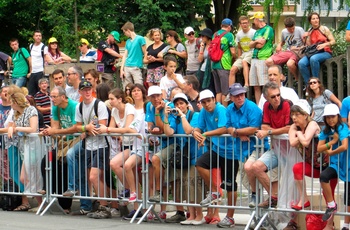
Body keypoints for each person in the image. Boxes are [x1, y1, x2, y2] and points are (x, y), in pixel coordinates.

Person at [286, 100, 336, 230]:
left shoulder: (312, 123)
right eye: (292, 114)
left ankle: (330, 225)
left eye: (297, 114)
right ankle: (304, 198)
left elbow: (306, 141)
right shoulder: (293, 127)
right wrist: (299, 134)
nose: (294, 118)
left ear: (305, 115)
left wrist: (299, 135)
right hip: (312, 165)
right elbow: (293, 142)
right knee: (297, 168)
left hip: (326, 165)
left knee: (329, 197)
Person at [193, 89, 237, 228]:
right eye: (203, 102)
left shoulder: (221, 109)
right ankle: (214, 191)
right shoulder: (203, 112)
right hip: (216, 149)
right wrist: (196, 133)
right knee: (200, 163)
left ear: (214, 100)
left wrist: (205, 134)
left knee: (230, 185)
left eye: (208, 101)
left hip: (231, 151)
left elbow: (224, 128)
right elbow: (199, 127)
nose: (206, 104)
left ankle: (230, 217)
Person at [162, 93, 206, 225]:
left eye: (181, 103)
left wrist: (182, 116)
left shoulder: (195, 115)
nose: (179, 106)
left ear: (187, 104)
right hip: (184, 156)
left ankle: (200, 215)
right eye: (176, 104)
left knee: (195, 185)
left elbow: (188, 131)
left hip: (196, 154)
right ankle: (191, 215)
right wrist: (165, 116)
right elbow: (169, 132)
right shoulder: (174, 118)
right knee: (186, 185)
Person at [248, 82, 292, 208]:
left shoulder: (287, 104)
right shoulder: (266, 105)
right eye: (273, 97)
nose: (277, 98)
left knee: (291, 182)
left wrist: (269, 132)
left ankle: (286, 208)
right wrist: (272, 130)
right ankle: (274, 197)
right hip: (276, 148)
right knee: (255, 167)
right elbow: (264, 126)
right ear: (266, 98)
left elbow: (289, 128)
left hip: (291, 150)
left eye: (278, 95)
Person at [226, 83, 269, 210]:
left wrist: (237, 132)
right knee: (247, 179)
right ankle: (257, 211)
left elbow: (253, 129)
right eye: (236, 95)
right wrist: (237, 134)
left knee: (249, 168)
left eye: (242, 94)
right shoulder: (229, 109)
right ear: (231, 97)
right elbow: (227, 127)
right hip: (241, 149)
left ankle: (263, 197)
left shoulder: (252, 107)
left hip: (257, 146)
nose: (240, 97)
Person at [74, 80, 110, 218]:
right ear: (80, 92)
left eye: (89, 89)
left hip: (101, 145)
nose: (87, 92)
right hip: (88, 146)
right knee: (94, 178)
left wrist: (87, 131)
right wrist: (85, 128)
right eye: (84, 90)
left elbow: (101, 126)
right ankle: (101, 204)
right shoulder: (79, 107)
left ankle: (104, 206)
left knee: (94, 176)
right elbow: (77, 126)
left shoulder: (99, 105)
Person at [41, 86, 78, 213]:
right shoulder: (55, 107)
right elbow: (55, 127)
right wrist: (48, 132)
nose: (52, 99)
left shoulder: (74, 106)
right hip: (63, 142)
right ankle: (47, 189)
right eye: (51, 96)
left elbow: (75, 128)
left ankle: (66, 204)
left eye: (54, 96)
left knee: (65, 165)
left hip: (76, 141)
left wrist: (55, 131)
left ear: (63, 97)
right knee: (47, 159)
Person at [7, 92, 43, 211]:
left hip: (34, 145)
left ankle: (41, 204)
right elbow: (10, 126)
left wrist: (16, 128)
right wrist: (12, 128)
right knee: (24, 178)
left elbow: (33, 128)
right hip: (24, 145)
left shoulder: (31, 110)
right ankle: (39, 202)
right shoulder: (16, 114)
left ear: (16, 102)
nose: (10, 104)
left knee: (33, 174)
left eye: (12, 101)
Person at [318, 104, 349, 229]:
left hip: (347, 163)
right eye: (328, 117)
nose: (330, 120)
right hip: (335, 164)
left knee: (349, 196)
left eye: (333, 117)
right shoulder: (326, 130)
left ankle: (346, 225)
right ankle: (331, 205)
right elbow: (319, 148)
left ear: (338, 116)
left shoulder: (342, 127)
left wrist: (331, 152)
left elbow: (345, 146)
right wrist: (332, 142)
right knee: (323, 177)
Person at [298, 12, 335, 84]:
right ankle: (308, 85)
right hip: (314, 52)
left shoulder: (324, 29)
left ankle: (316, 82)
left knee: (313, 59)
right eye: (313, 19)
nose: (316, 20)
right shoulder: (310, 30)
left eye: (317, 18)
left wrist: (324, 44)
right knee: (301, 63)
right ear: (310, 21)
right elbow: (309, 45)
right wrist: (305, 38)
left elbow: (333, 41)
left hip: (325, 52)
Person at [249, 12, 274, 104]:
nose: (253, 22)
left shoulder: (268, 29)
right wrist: (256, 42)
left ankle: (266, 105)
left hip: (263, 58)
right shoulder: (257, 31)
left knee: (264, 85)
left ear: (257, 19)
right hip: (254, 58)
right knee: (255, 85)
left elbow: (261, 44)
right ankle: (259, 106)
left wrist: (255, 43)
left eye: (254, 20)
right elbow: (250, 45)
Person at [211, 18, 236, 106]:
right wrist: (235, 58)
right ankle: (224, 111)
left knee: (218, 91)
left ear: (221, 25)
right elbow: (233, 51)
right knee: (225, 91)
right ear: (229, 26)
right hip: (224, 65)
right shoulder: (229, 35)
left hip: (214, 65)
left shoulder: (215, 34)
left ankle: (218, 110)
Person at [229, 16, 256, 89]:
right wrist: (238, 59)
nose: (245, 25)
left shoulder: (253, 32)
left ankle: (246, 84)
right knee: (232, 70)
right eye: (243, 23)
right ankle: (231, 90)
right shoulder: (239, 34)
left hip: (252, 52)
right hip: (244, 54)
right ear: (240, 24)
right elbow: (239, 47)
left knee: (244, 62)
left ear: (248, 23)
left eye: (246, 23)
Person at [120, 22, 146, 88]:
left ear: (128, 30)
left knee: (139, 86)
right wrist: (121, 69)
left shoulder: (140, 39)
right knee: (127, 87)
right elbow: (124, 56)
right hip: (127, 66)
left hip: (136, 66)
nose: (124, 34)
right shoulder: (128, 41)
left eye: (124, 32)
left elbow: (145, 52)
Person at [28, 30, 48, 96]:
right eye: (36, 36)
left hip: (40, 71)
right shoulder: (31, 46)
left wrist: (44, 70)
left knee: (40, 92)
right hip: (33, 72)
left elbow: (46, 60)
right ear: (33, 37)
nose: (38, 37)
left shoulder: (44, 47)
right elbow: (31, 58)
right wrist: (30, 71)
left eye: (39, 36)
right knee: (31, 93)